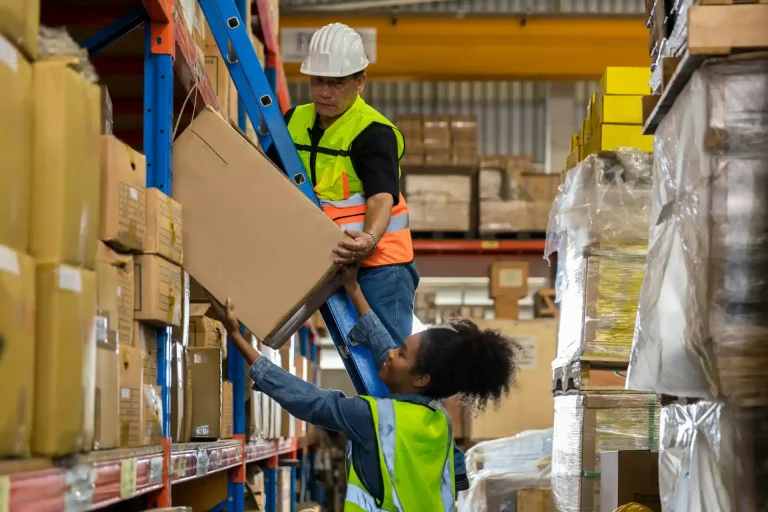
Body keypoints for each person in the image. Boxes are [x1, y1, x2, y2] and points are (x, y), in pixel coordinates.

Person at [207, 266, 521, 511]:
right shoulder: (438, 420)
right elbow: (385, 348)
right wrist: (353, 288)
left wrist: (237, 338)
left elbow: (308, 401)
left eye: (402, 353)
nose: (391, 353)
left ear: (421, 379)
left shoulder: (373, 417)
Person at [266, 22, 417, 343]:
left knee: (393, 359)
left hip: (381, 266)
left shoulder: (374, 132)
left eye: (336, 83)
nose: (324, 92)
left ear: (360, 82)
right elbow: (265, 178)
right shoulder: (294, 120)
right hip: (331, 262)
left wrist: (369, 239)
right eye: (318, 81)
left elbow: (381, 197)